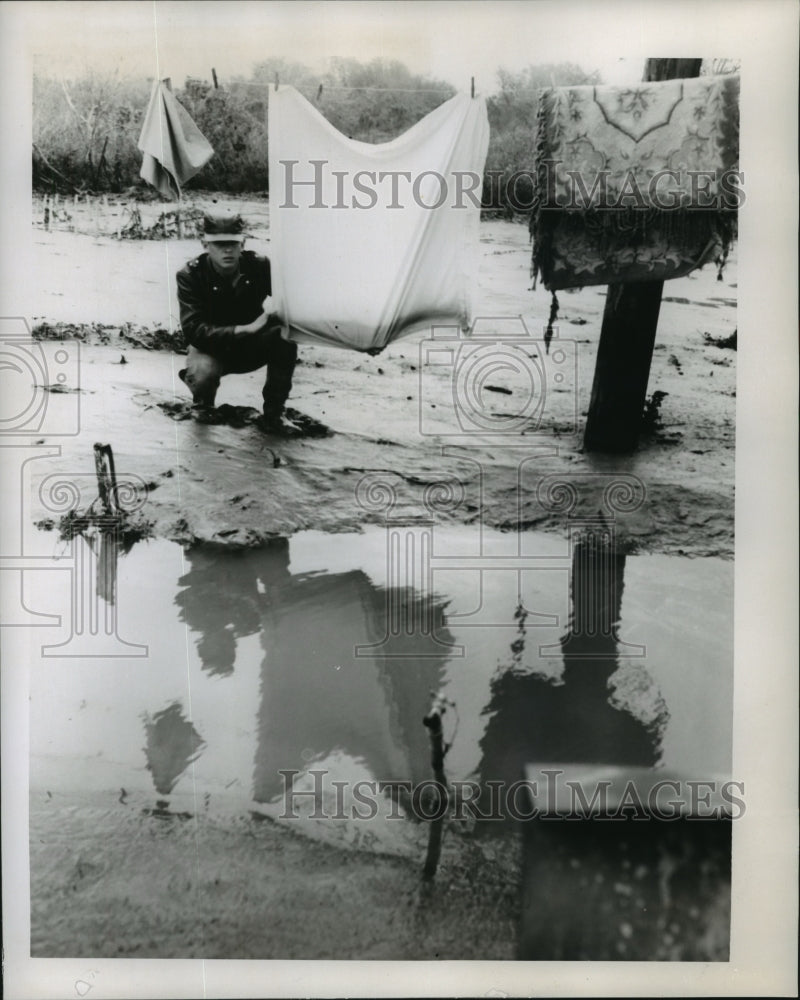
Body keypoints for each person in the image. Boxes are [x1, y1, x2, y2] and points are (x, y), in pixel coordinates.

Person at [175, 211, 298, 432]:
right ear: (205, 244)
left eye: (233, 242)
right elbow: (194, 330)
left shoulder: (260, 266)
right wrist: (246, 329)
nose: (228, 250)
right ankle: (202, 405)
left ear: (243, 243)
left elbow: (293, 301)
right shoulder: (190, 275)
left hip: (251, 348)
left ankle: (275, 414)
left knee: (285, 337)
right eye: (219, 244)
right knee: (202, 373)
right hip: (210, 350)